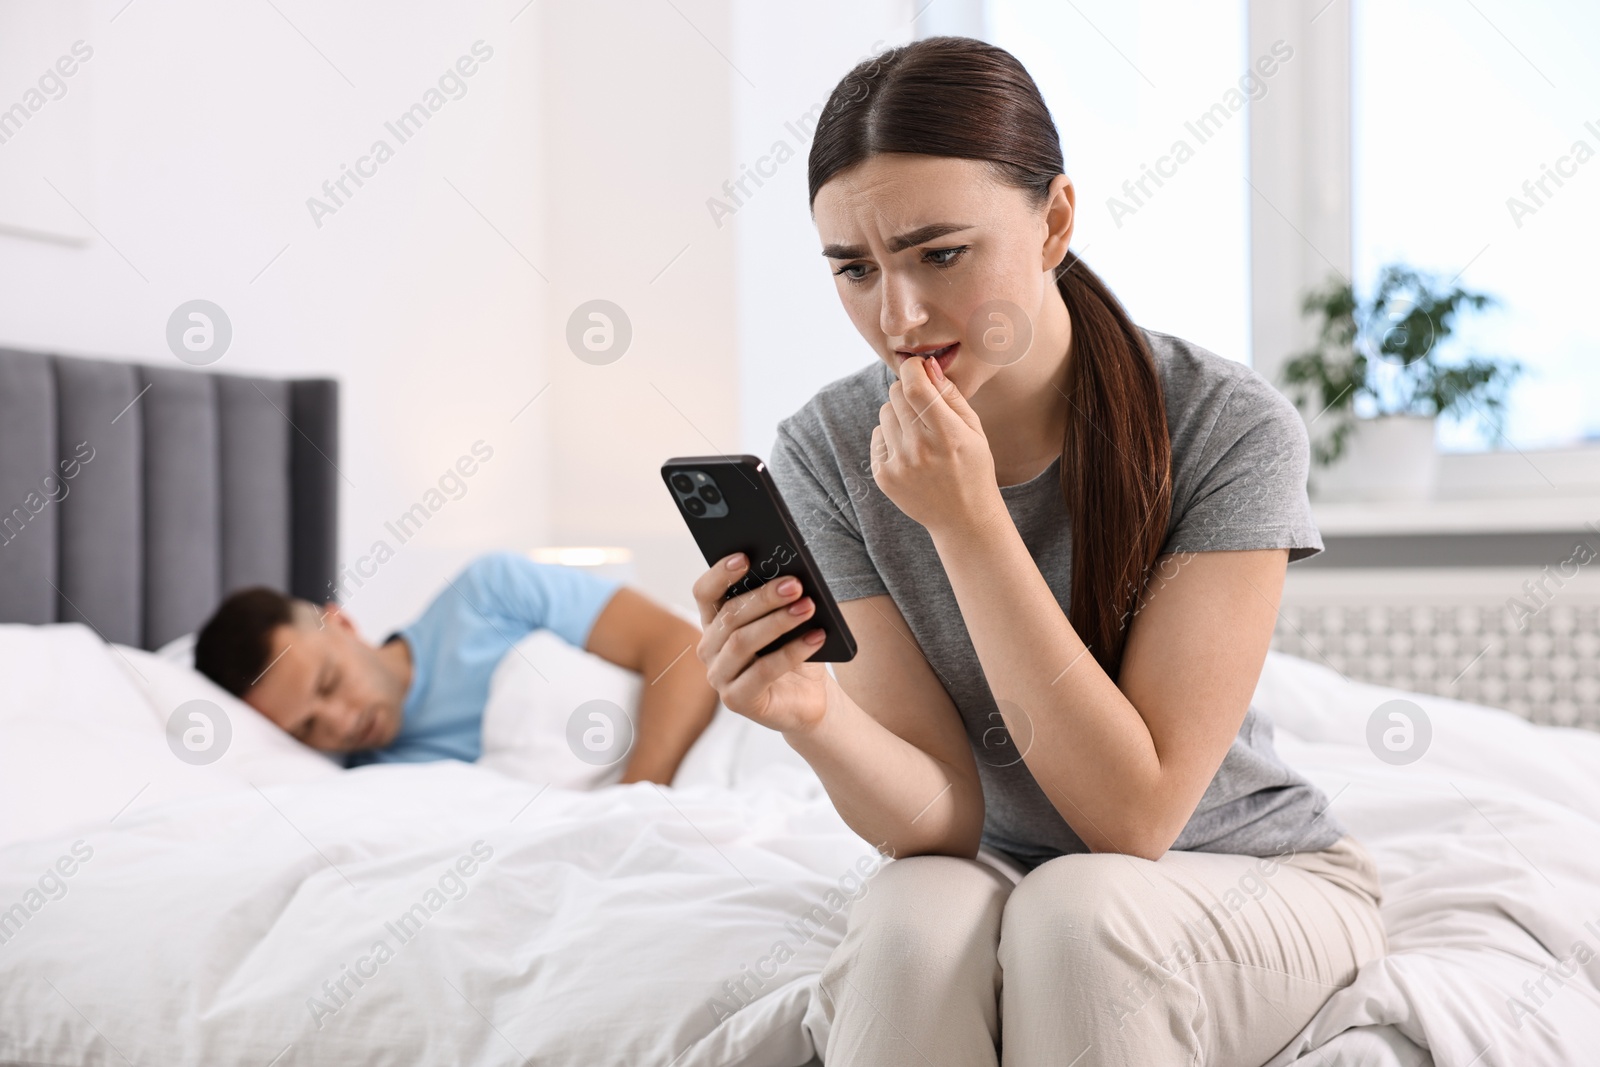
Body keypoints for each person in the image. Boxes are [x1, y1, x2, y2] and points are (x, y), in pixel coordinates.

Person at [688, 35, 1386, 1067]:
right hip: (1002, 864)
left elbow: (1131, 816)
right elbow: (940, 815)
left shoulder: (1225, 424)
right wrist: (813, 713)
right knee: (905, 927)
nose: (898, 314)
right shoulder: (827, 448)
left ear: (1054, 219)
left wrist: (967, 524)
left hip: (1240, 868)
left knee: (1081, 909)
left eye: (941, 253)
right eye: (855, 268)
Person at [194, 551, 717, 783]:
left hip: (716, 734)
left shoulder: (484, 594)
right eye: (306, 728)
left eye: (329, 683)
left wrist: (637, 805)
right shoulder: (374, 786)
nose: (337, 723)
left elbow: (679, 648)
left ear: (344, 624)